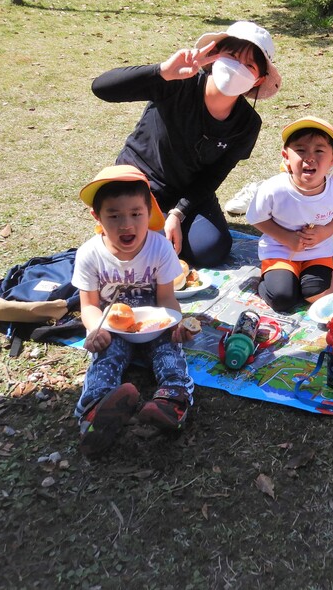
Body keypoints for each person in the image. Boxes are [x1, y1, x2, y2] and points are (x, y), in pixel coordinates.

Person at [92, 21, 282, 268]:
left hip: (186, 191)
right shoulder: (179, 83)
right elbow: (102, 88)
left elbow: (215, 174)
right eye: (232, 57)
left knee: (211, 250)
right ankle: (129, 219)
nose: (237, 68)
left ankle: (157, 225)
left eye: (249, 65)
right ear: (214, 56)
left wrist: (178, 212)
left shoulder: (247, 124)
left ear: (257, 80)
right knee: (144, 249)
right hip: (138, 183)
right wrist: (161, 71)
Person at [73, 165, 196, 457]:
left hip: (152, 324)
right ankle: (96, 411)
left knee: (170, 351)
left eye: (136, 214)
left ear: (149, 214)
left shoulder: (160, 248)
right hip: (112, 327)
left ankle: (171, 402)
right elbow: (89, 305)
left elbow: (167, 299)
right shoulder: (90, 254)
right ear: (97, 217)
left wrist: (174, 324)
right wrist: (95, 330)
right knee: (105, 359)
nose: (126, 225)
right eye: (114, 216)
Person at [245, 117, 333, 312]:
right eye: (300, 150)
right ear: (286, 156)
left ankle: (331, 263)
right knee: (282, 298)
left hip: (318, 250)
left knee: (316, 295)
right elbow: (256, 218)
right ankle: (276, 277)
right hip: (280, 250)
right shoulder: (273, 188)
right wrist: (286, 237)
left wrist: (324, 233)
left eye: (319, 151)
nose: (309, 157)